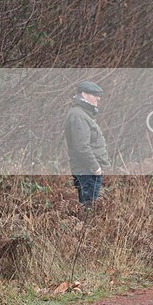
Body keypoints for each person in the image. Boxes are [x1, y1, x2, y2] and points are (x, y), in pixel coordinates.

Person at [65, 81, 111, 209]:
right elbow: (81, 147)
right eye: (95, 94)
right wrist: (95, 168)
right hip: (87, 171)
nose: (98, 98)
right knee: (88, 209)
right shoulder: (78, 115)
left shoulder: (83, 114)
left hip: (88, 171)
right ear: (84, 95)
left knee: (89, 207)